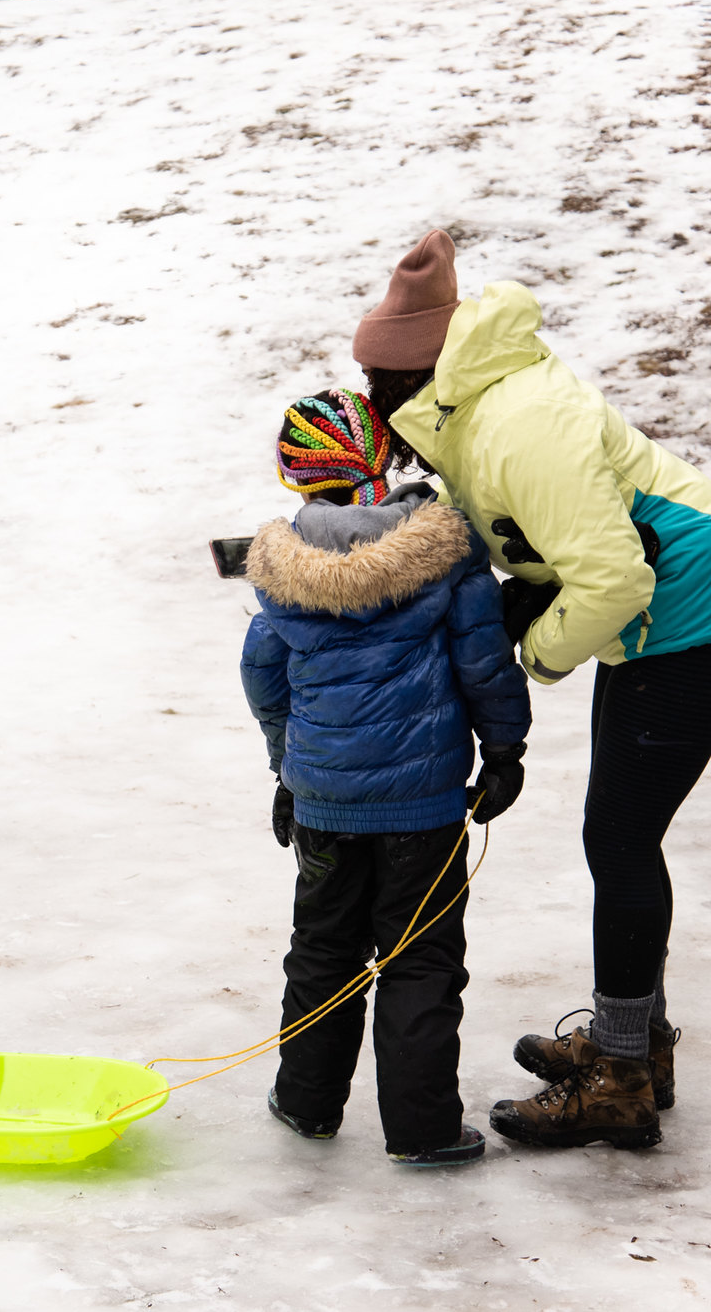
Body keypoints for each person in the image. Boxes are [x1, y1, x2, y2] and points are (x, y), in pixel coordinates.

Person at [349, 229, 711, 1150]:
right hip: (657, 617)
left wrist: (536, 656)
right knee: (620, 833)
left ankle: (621, 1078)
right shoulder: (472, 409)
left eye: (375, 384)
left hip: (701, 617)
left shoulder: (516, 425)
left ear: (413, 373)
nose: (369, 402)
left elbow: (614, 582)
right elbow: (535, 539)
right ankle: (638, 1041)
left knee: (619, 837)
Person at [239, 388, 531, 1167]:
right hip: (423, 807)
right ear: (382, 456)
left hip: (325, 804)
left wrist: (287, 770)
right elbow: (483, 665)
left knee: (322, 949)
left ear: (296, 476)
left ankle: (305, 1103)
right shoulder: (443, 552)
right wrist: (504, 753)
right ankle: (423, 1127)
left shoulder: (282, 567)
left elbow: (263, 675)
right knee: (421, 958)